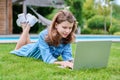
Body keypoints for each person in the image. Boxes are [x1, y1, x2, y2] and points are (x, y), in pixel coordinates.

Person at [10, 10, 77, 69]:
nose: (68, 31)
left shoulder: (66, 38)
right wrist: (62, 63)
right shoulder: (44, 35)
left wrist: (73, 62)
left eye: (70, 28)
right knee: (17, 50)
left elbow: (68, 56)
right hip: (29, 52)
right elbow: (47, 59)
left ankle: (25, 23)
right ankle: (27, 26)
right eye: (64, 27)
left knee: (31, 45)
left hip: (34, 47)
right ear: (56, 25)